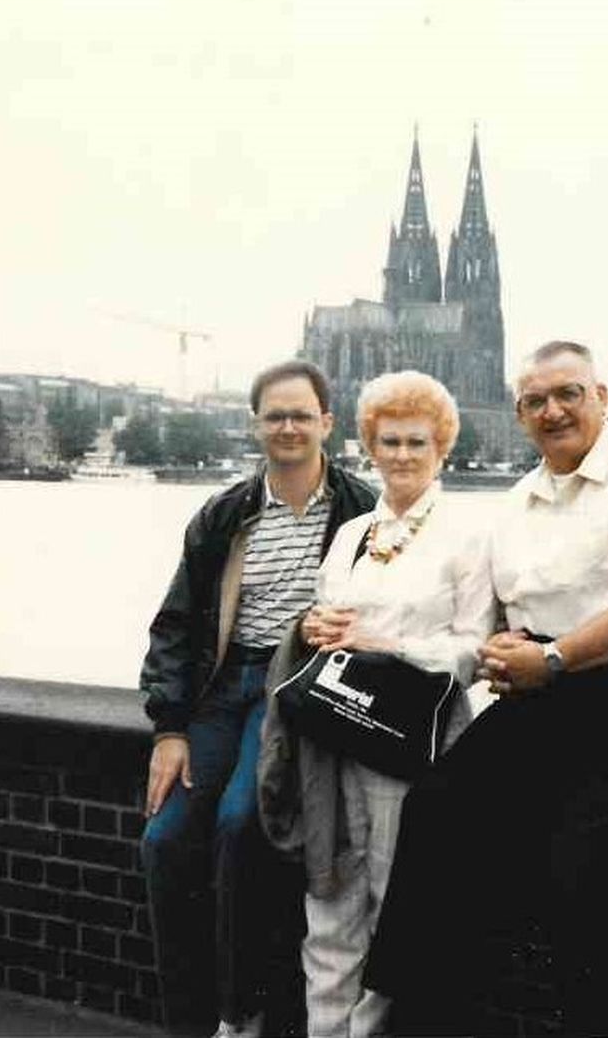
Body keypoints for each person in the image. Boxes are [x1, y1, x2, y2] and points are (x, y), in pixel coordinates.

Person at [364, 340, 608, 1036]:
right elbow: (507, 619)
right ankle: (415, 1019)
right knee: (438, 812)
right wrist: (510, 647)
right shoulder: (516, 504)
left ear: (602, 396)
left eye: (568, 393)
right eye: (535, 400)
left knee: (579, 859)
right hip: (555, 695)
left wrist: (554, 659)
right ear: (520, 413)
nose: (553, 410)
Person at [139, 359, 377, 1038]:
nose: (289, 426)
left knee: (242, 823)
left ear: (327, 422)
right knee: (164, 839)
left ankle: (239, 1014)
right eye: (275, 415)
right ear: (256, 426)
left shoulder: (362, 512)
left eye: (302, 414)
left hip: (291, 689)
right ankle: (187, 1020)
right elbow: (177, 626)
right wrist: (168, 728)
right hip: (221, 691)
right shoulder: (222, 515)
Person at [258, 370, 494, 1038]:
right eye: (388, 440)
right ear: (368, 443)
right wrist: (313, 628)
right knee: (328, 897)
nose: (401, 454)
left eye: (417, 440)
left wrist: (383, 639)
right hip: (334, 738)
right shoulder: (353, 532)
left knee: (397, 908)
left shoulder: (469, 537)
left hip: (410, 745)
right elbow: (325, 616)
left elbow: (474, 650)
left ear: (442, 444)